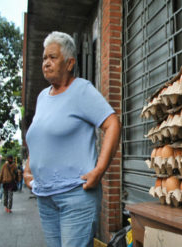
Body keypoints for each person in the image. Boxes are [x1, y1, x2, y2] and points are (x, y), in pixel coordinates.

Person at [24, 31, 120, 247]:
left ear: (69, 63)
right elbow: (39, 137)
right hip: (45, 198)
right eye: (44, 58)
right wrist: (28, 169)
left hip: (75, 197)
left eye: (52, 57)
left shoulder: (81, 90)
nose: (46, 63)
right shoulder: (42, 97)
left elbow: (112, 123)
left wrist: (99, 170)